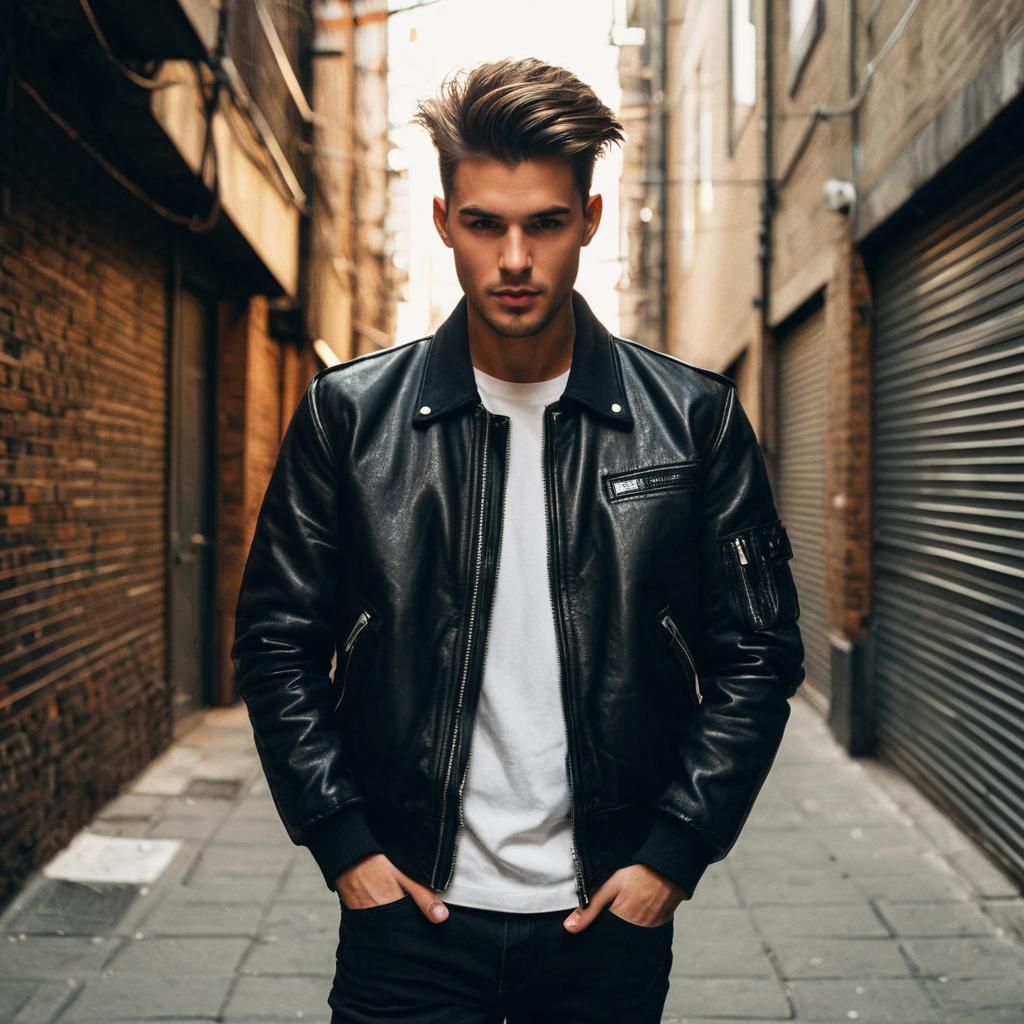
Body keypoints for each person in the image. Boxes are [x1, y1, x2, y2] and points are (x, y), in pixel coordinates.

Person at [232, 56, 805, 1024]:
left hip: (606, 916)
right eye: (483, 223)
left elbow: (757, 655)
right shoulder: (349, 417)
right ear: (442, 221)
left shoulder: (692, 419)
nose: (512, 259)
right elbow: (275, 641)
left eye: (542, 223)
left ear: (587, 218)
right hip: (407, 914)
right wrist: (346, 849)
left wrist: (671, 857)